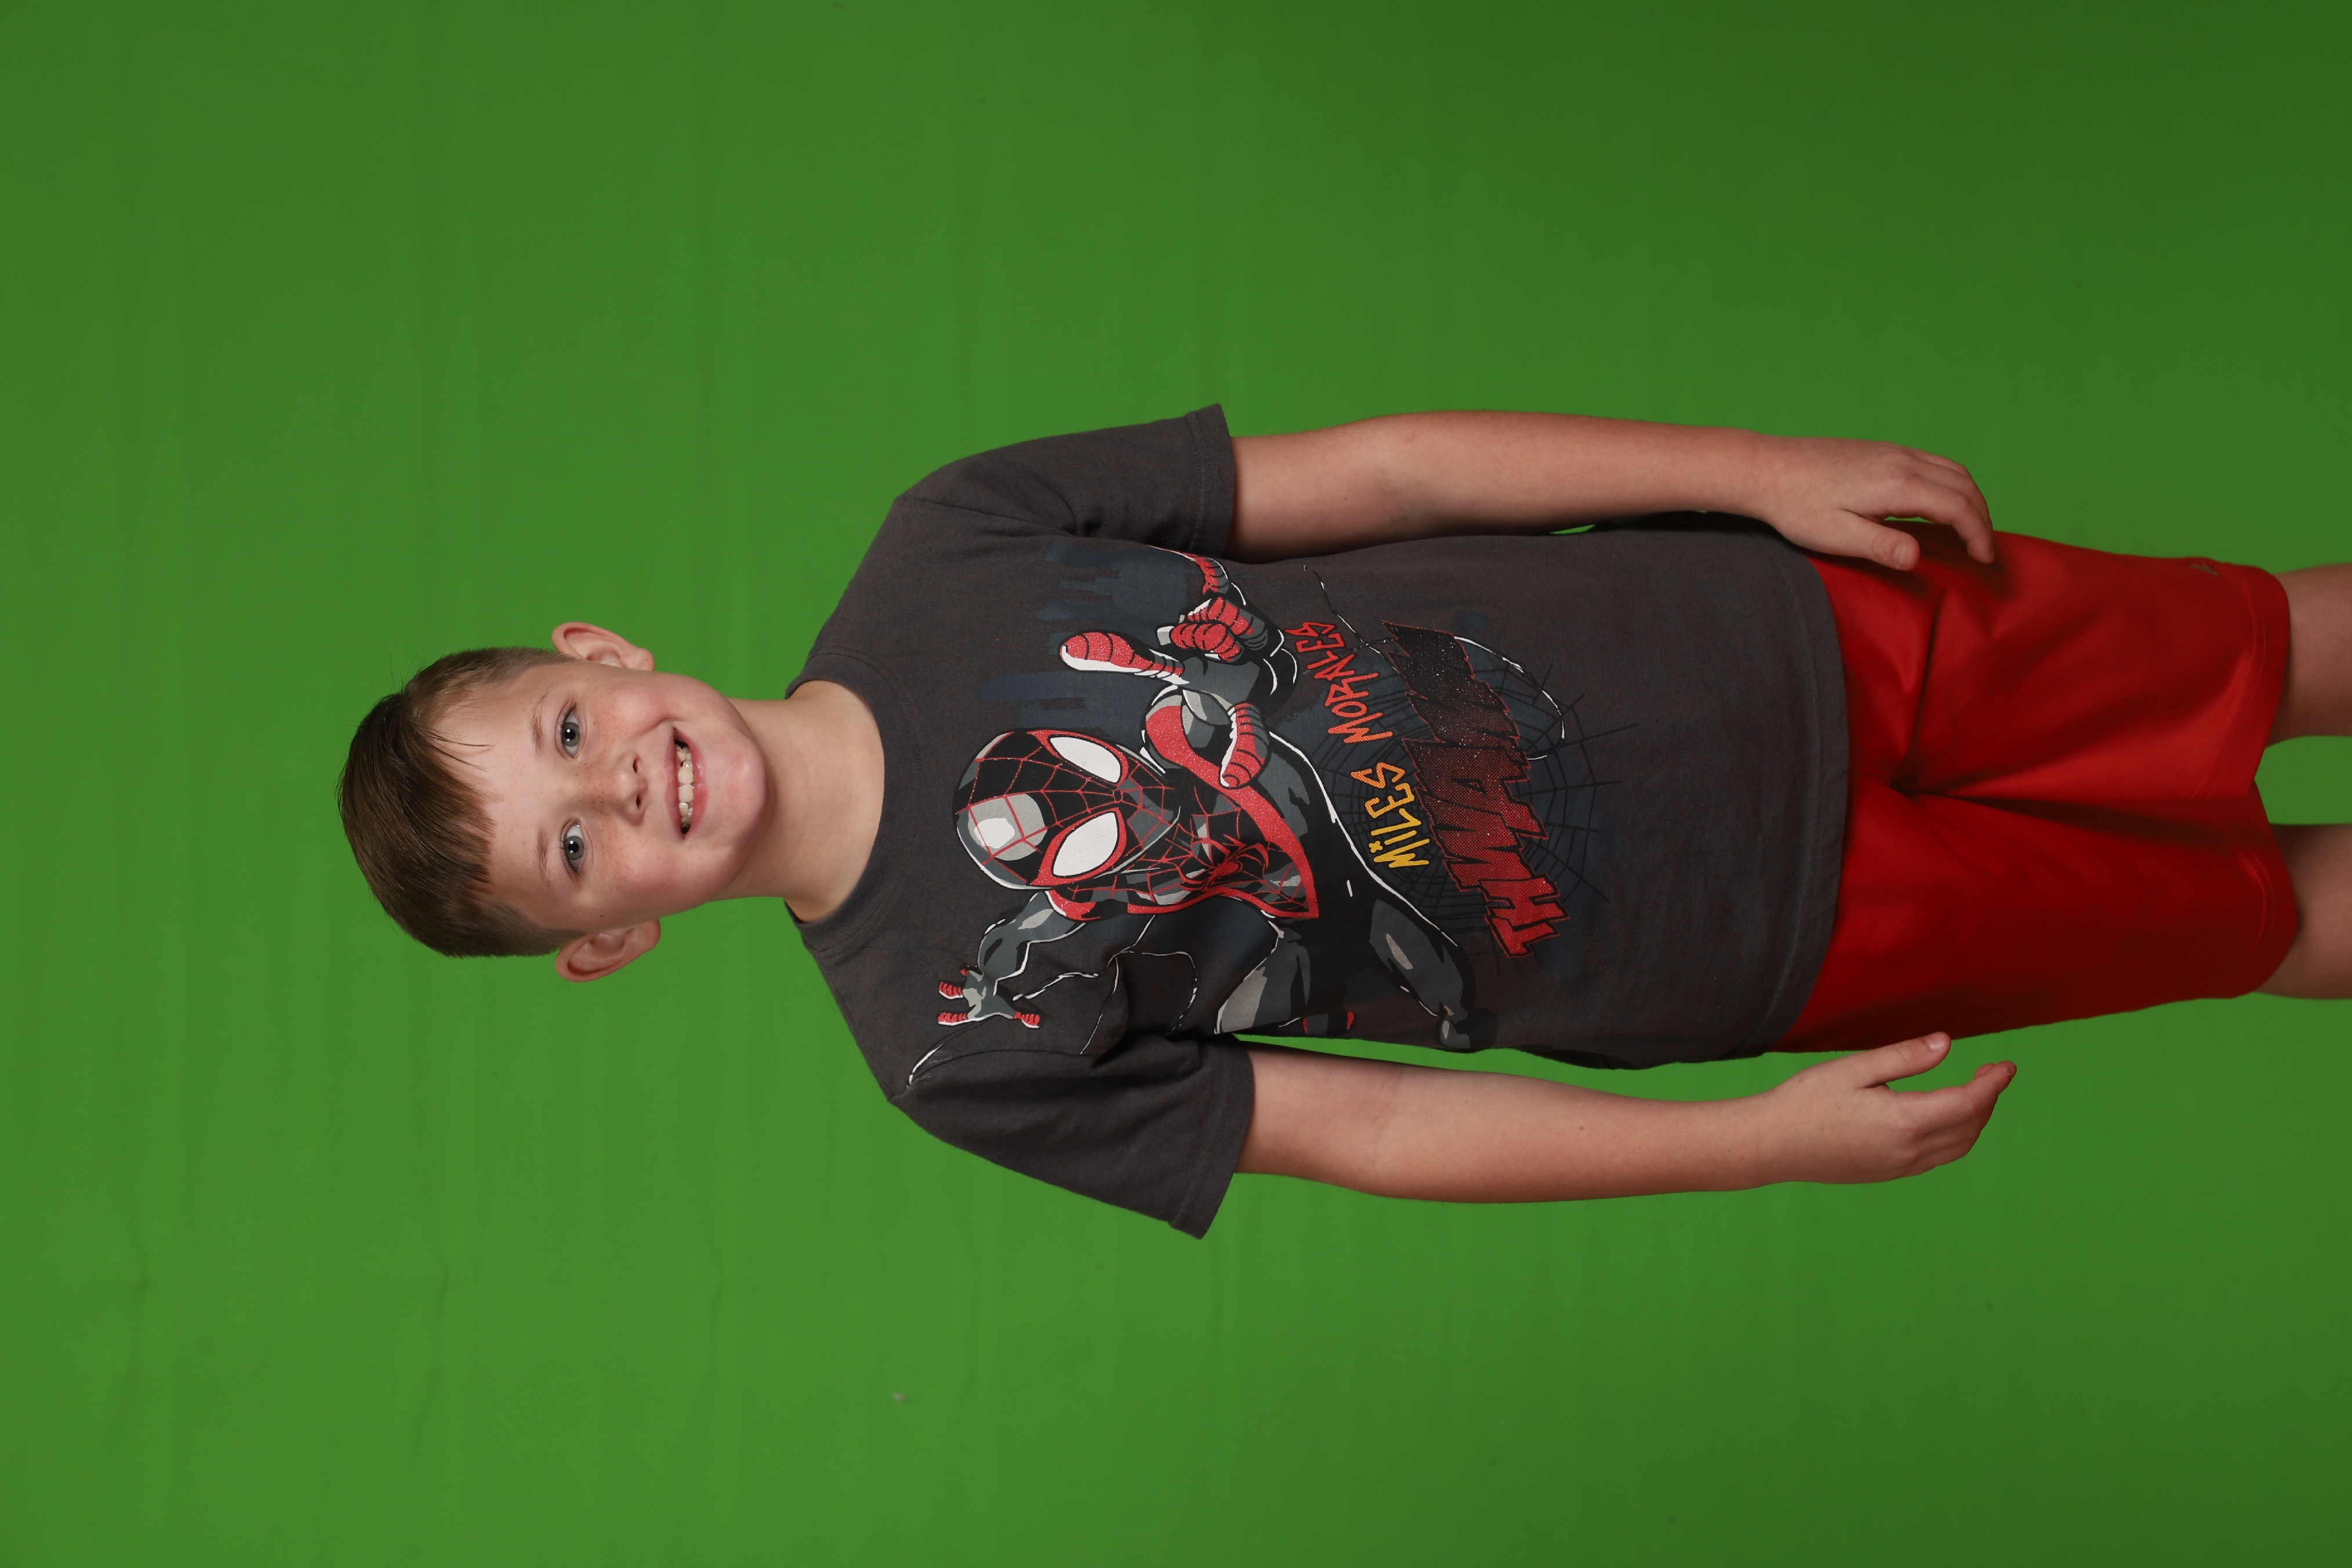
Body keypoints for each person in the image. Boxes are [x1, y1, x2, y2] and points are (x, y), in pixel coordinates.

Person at [339, 409, 2352, 1236]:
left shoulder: (949, 539)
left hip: (1775, 632)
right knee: (2261, 918)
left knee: (2264, 649)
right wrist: (1753, 1143)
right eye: (575, 848)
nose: (620, 782)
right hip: (1771, 930)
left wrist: (1754, 471)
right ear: (609, 940)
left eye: (571, 731)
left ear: (597, 650)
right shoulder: (953, 1050)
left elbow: (1384, 474)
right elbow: (1368, 1131)